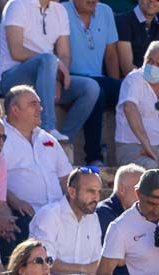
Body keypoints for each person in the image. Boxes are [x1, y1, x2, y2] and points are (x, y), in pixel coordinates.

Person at [0, 0, 100, 143]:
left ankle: (61, 143)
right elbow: (17, 51)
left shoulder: (60, 10)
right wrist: (53, 63)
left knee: (91, 88)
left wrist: (57, 78)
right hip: (12, 77)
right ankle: (48, 128)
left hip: (47, 77)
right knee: (48, 59)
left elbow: (65, 55)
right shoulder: (17, 4)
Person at [0, 85, 73, 257]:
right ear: (15, 109)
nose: (40, 108)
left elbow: (66, 178)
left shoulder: (47, 138)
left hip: (59, 214)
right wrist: (15, 200)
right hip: (26, 217)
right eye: (33, 104)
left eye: (39, 104)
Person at [29, 167, 102, 275]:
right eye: (91, 191)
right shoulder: (50, 215)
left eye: (98, 192)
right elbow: (43, 264)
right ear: (72, 191)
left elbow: (96, 263)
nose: (96, 198)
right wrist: (83, 269)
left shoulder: (93, 217)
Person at [66, 0, 121, 165]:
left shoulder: (106, 11)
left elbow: (111, 55)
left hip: (99, 78)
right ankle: (93, 157)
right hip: (71, 79)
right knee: (96, 92)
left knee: (129, 92)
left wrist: (117, 85)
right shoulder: (60, 11)